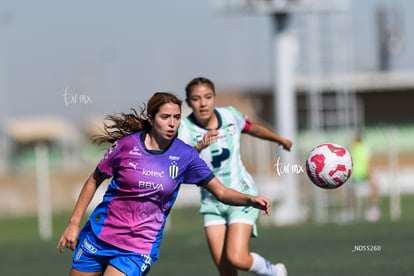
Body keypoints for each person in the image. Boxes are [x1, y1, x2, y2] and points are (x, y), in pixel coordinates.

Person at [57, 92, 271, 276]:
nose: (172, 123)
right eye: (165, 117)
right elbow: (94, 180)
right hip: (100, 234)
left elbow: (221, 192)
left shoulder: (186, 156)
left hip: (138, 246)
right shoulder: (126, 146)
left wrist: (250, 199)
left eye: (177, 117)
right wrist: (74, 223)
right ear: (151, 119)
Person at [178, 77, 292, 276]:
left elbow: (252, 128)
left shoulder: (230, 115)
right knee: (226, 270)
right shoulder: (185, 130)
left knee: (237, 257)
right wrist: (199, 147)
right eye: (196, 99)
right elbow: (181, 165)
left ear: (214, 98)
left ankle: (274, 271)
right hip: (211, 202)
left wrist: (280, 139)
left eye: (207, 97)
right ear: (188, 103)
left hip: (242, 193)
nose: (203, 103)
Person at [349, 133, 381, 222]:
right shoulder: (352, 148)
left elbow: (369, 161)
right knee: (351, 193)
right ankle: (352, 211)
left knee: (374, 188)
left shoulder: (364, 148)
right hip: (354, 174)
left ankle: (372, 209)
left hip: (364, 173)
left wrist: (370, 173)